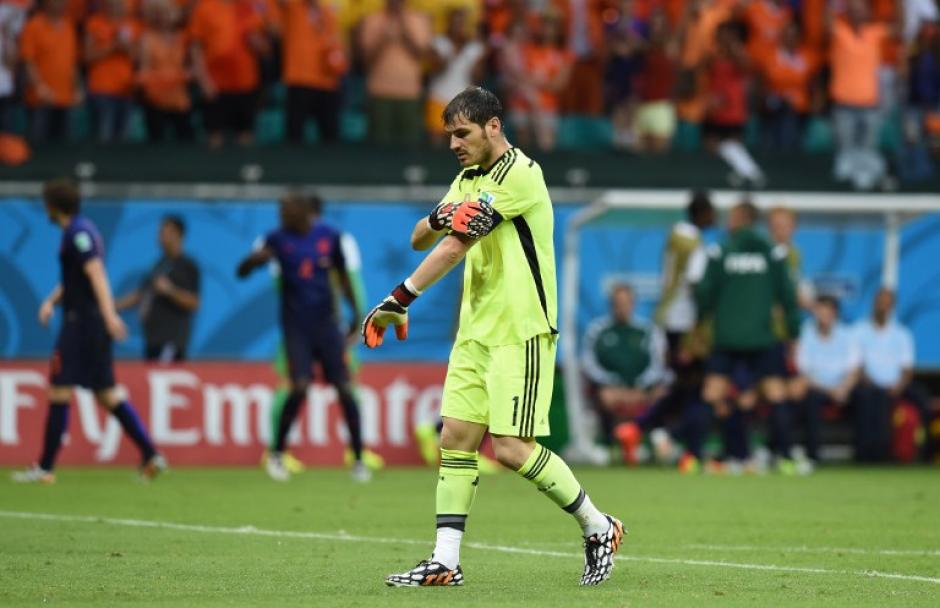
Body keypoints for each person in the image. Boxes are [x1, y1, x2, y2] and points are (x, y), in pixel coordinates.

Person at [364, 87, 623, 588]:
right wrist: (438, 216)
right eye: (449, 136)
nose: (454, 145)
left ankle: (598, 525)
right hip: (476, 331)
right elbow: (423, 236)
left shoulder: (519, 176)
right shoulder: (465, 179)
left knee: (509, 447)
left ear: (493, 126)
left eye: (462, 134)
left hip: (520, 329)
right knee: (455, 439)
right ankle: (445, 561)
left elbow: (456, 248)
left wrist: (399, 298)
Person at [12, 178, 165, 485]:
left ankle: (45, 467)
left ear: (53, 206)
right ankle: (150, 454)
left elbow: (95, 273)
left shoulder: (78, 233)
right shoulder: (82, 229)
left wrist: (109, 316)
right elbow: (77, 277)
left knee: (59, 389)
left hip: (81, 324)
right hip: (87, 323)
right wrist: (51, 301)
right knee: (107, 394)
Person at [236, 194, 368, 482]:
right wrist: (254, 260)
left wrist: (356, 316)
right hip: (296, 327)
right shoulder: (275, 239)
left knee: (345, 389)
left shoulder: (330, 237)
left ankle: (358, 458)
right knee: (300, 387)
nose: (281, 214)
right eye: (279, 209)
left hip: (328, 326)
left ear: (305, 211)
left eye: (286, 209)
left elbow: (343, 278)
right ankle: (276, 454)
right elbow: (241, 272)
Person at [695, 201, 800, 473]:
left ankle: (692, 457)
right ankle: (787, 459)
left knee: (711, 393)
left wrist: (705, 321)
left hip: (727, 336)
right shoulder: (773, 253)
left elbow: (704, 295)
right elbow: (788, 297)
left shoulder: (720, 251)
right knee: (776, 393)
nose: (728, 221)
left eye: (732, 216)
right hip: (761, 338)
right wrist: (794, 334)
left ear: (743, 219)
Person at [582, 283, 671, 463]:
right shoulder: (597, 330)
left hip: (641, 390)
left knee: (661, 394)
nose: (622, 307)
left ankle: (653, 442)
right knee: (606, 396)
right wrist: (613, 383)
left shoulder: (647, 331)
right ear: (611, 304)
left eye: (626, 302)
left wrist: (640, 386)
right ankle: (611, 444)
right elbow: (589, 364)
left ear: (633, 303)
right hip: (610, 390)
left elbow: (658, 364)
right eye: (617, 303)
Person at [853, 287, 931, 462]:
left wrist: (898, 386)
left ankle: (926, 453)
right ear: (873, 304)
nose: (882, 307)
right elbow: (857, 366)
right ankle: (870, 454)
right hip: (869, 386)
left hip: (897, 386)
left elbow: (907, 369)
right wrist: (873, 383)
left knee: (924, 401)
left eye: (887, 304)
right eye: (880, 303)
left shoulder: (902, 334)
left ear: (893, 306)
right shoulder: (859, 331)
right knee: (869, 398)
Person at [116, 215, 200, 362]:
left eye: (165, 232)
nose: (160, 236)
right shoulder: (157, 265)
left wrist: (170, 291)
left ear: (179, 235)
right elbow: (140, 294)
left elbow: (194, 302)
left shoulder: (187, 266)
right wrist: (111, 306)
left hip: (171, 341)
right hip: (152, 340)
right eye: (160, 232)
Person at [793, 295, 860, 468]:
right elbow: (804, 372)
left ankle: (868, 454)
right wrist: (829, 391)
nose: (823, 315)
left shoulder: (847, 334)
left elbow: (854, 368)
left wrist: (843, 388)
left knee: (866, 397)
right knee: (810, 399)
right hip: (818, 388)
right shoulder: (805, 333)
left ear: (835, 313)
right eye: (820, 311)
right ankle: (813, 456)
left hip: (844, 387)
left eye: (827, 311)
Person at [189, 0, 269, 148]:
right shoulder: (205, 8)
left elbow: (265, 49)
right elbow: (195, 47)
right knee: (215, 140)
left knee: (246, 138)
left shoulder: (250, 8)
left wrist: (259, 43)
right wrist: (204, 81)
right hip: (215, 85)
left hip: (246, 84)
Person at [358, 0, 432, 145]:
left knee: (409, 146)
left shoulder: (419, 19)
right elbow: (365, 60)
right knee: (379, 145)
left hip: (410, 93)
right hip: (379, 93)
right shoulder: (373, 20)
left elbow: (422, 54)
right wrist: (383, 37)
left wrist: (404, 29)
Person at [276, 0, 347, 144]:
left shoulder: (327, 12)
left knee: (330, 139)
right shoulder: (292, 7)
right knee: (294, 138)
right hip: (299, 79)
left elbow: (335, 41)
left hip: (326, 81)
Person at [19, 0, 80, 143]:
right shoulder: (33, 25)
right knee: (40, 145)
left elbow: (72, 62)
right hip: (40, 100)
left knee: (63, 147)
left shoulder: (68, 25)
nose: (61, 4)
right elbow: (28, 61)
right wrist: (40, 87)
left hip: (65, 98)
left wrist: (77, 87)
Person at [426, 7, 486, 146]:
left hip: (464, 103)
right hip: (439, 98)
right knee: (436, 143)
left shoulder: (474, 47)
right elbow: (436, 69)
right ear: (449, 23)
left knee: (462, 145)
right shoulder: (438, 43)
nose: (458, 27)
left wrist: (480, 56)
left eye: (461, 23)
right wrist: (453, 52)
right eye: (455, 23)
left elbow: (479, 77)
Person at [137, 0, 194, 142]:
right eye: (161, 14)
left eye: (169, 13)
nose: (166, 18)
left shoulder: (183, 38)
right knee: (157, 141)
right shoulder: (147, 39)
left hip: (179, 98)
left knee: (186, 140)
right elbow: (144, 71)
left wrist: (187, 74)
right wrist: (172, 77)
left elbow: (192, 65)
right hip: (156, 99)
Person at [84, 0, 140, 143]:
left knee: (124, 140)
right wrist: (113, 47)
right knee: (104, 137)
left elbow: (138, 57)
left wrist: (125, 47)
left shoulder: (132, 24)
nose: (116, 5)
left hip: (126, 89)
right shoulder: (95, 23)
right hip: (102, 89)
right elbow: (87, 56)